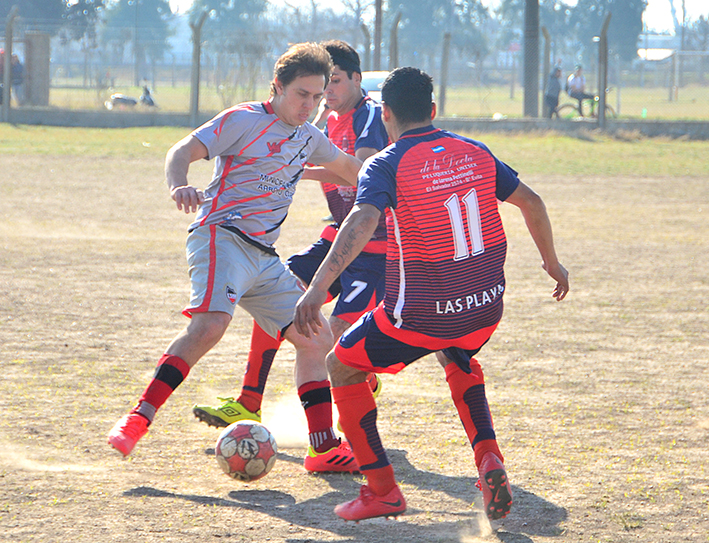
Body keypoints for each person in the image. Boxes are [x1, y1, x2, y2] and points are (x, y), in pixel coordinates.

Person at [294, 67, 570, 522]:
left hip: (421, 315)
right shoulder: (475, 151)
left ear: (386, 116)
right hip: (484, 308)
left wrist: (317, 288)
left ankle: (382, 490)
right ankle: (488, 461)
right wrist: (552, 264)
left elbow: (361, 223)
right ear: (434, 111)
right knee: (458, 354)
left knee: (340, 365)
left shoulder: (385, 163)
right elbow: (532, 201)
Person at [107, 43, 364, 473]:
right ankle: (138, 418)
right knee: (210, 326)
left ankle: (322, 448)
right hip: (221, 237)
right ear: (277, 87)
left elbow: (351, 169)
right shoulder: (242, 120)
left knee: (316, 338)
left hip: (264, 257)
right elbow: (181, 150)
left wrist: (402, 183)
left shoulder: (308, 137)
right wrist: (179, 184)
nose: (310, 105)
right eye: (302, 94)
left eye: (318, 97)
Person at [192, 40, 390, 473]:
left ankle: (356, 396)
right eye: (319, 89)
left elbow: (361, 167)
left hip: (376, 249)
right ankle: (248, 401)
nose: (326, 94)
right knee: (284, 294)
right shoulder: (320, 119)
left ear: (356, 79)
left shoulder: (370, 115)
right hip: (339, 238)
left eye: (334, 83)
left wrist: (285, 164)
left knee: (330, 338)